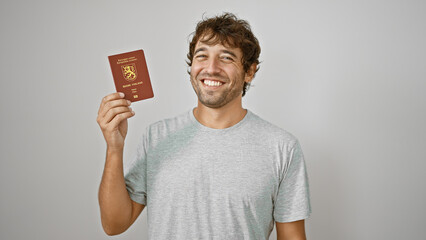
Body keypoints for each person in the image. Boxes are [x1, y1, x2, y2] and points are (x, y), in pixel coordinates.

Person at [97, 12, 311, 240]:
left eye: (226, 58)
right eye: (202, 56)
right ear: (191, 66)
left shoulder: (282, 147)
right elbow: (114, 224)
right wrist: (114, 148)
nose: (211, 68)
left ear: (249, 71)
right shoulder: (157, 136)